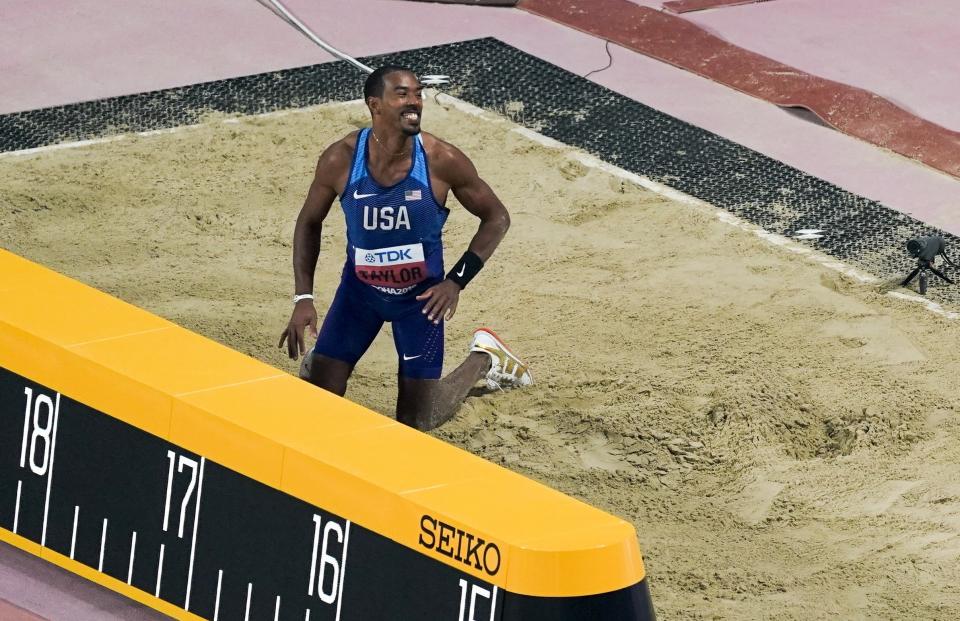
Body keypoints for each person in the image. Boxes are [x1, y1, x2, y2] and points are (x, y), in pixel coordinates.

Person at [278, 65, 532, 431]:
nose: (414, 102)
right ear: (375, 105)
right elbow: (309, 222)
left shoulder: (441, 160)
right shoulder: (341, 159)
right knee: (319, 397)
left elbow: (497, 217)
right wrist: (303, 297)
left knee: (416, 423)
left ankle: (484, 360)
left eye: (418, 94)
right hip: (359, 295)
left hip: (420, 303)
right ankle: (325, 361)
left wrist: (455, 282)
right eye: (402, 94)